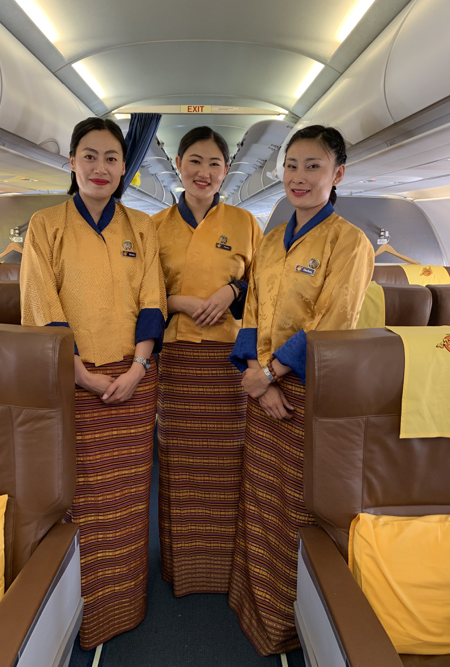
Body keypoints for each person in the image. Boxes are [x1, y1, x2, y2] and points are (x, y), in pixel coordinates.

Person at [20, 117, 166, 651]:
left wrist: (138, 368)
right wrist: (78, 370)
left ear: (124, 167)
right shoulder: (46, 224)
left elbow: (154, 301)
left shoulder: (141, 228)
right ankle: (83, 607)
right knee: (82, 497)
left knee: (130, 498)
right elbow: (41, 302)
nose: (100, 167)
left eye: (110, 158)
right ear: (73, 163)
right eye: (89, 156)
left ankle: (126, 601)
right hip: (73, 380)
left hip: (132, 380)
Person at [228, 125, 374, 655]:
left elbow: (332, 323)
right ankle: (254, 605)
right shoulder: (270, 240)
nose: (299, 177)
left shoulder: (350, 243)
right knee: (259, 498)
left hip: (306, 397)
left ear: (337, 175)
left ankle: (292, 623)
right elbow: (254, 311)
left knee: (296, 505)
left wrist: (271, 376)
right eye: (292, 165)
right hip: (264, 388)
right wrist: (256, 373)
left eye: (313, 166)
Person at [151, 126, 263, 597]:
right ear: (179, 164)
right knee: (179, 463)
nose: (204, 172)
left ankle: (225, 565)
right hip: (178, 360)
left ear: (225, 171)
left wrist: (232, 290)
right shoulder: (153, 225)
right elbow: (138, 293)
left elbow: (262, 290)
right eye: (195, 161)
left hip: (228, 361)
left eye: (214, 164)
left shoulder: (245, 222)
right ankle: (183, 567)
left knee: (228, 463)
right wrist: (175, 302)